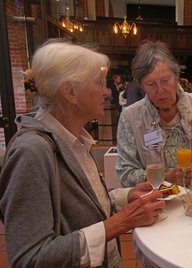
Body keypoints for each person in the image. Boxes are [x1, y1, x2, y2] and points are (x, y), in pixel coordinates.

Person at [0, 40, 165, 267]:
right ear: (70, 91)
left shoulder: (73, 138)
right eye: (99, 83)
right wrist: (118, 223)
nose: (107, 91)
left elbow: (82, 202)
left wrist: (124, 197)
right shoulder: (31, 152)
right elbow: (29, 259)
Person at [116, 40, 192, 187]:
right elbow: (126, 173)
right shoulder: (130, 117)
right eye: (151, 84)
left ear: (176, 76)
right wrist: (166, 177)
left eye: (165, 80)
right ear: (141, 85)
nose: (161, 91)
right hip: (157, 202)